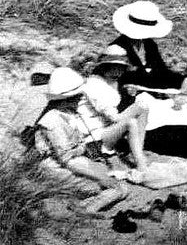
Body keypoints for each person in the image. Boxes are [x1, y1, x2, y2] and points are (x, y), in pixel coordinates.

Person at [33, 68, 134, 212]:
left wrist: (94, 165)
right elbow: (66, 158)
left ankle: (87, 204)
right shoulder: (52, 121)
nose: (81, 98)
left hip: (74, 162)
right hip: (56, 168)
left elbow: (77, 147)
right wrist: (96, 172)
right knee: (114, 188)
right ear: (66, 98)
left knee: (120, 187)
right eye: (77, 96)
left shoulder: (69, 114)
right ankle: (87, 208)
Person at [79, 46, 152, 178]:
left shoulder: (109, 82)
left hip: (106, 131)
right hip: (94, 138)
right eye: (113, 67)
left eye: (120, 68)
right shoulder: (94, 84)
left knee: (143, 107)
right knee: (131, 122)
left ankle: (137, 152)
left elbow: (115, 106)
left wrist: (128, 95)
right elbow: (113, 117)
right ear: (103, 67)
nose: (117, 71)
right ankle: (141, 165)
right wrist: (133, 109)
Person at [110, 0, 187, 104]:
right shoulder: (117, 48)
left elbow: (161, 71)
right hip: (127, 103)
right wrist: (126, 89)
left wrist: (181, 80)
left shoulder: (149, 44)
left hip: (151, 100)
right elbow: (112, 82)